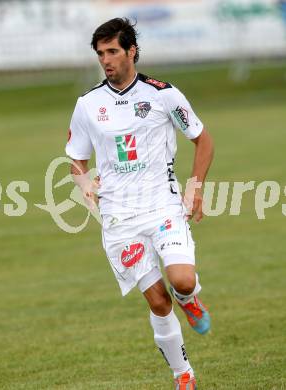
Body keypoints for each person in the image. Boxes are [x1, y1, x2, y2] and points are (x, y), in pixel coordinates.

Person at [66, 17, 214, 389]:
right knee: (158, 302)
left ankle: (191, 297)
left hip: (162, 205)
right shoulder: (88, 104)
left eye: (113, 51)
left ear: (132, 51)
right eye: (100, 54)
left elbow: (203, 139)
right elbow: (76, 157)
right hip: (119, 218)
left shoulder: (163, 94)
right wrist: (84, 181)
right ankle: (184, 376)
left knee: (181, 280)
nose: (106, 60)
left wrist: (194, 187)